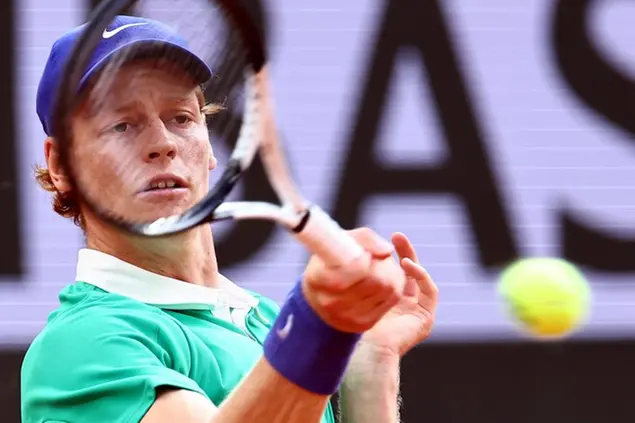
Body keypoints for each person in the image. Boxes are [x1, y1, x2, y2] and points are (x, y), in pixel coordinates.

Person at [21, 15, 438, 423]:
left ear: (209, 144)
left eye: (181, 117)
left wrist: (371, 361)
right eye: (122, 125)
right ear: (61, 166)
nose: (162, 143)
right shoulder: (79, 345)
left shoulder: (270, 322)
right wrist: (312, 324)